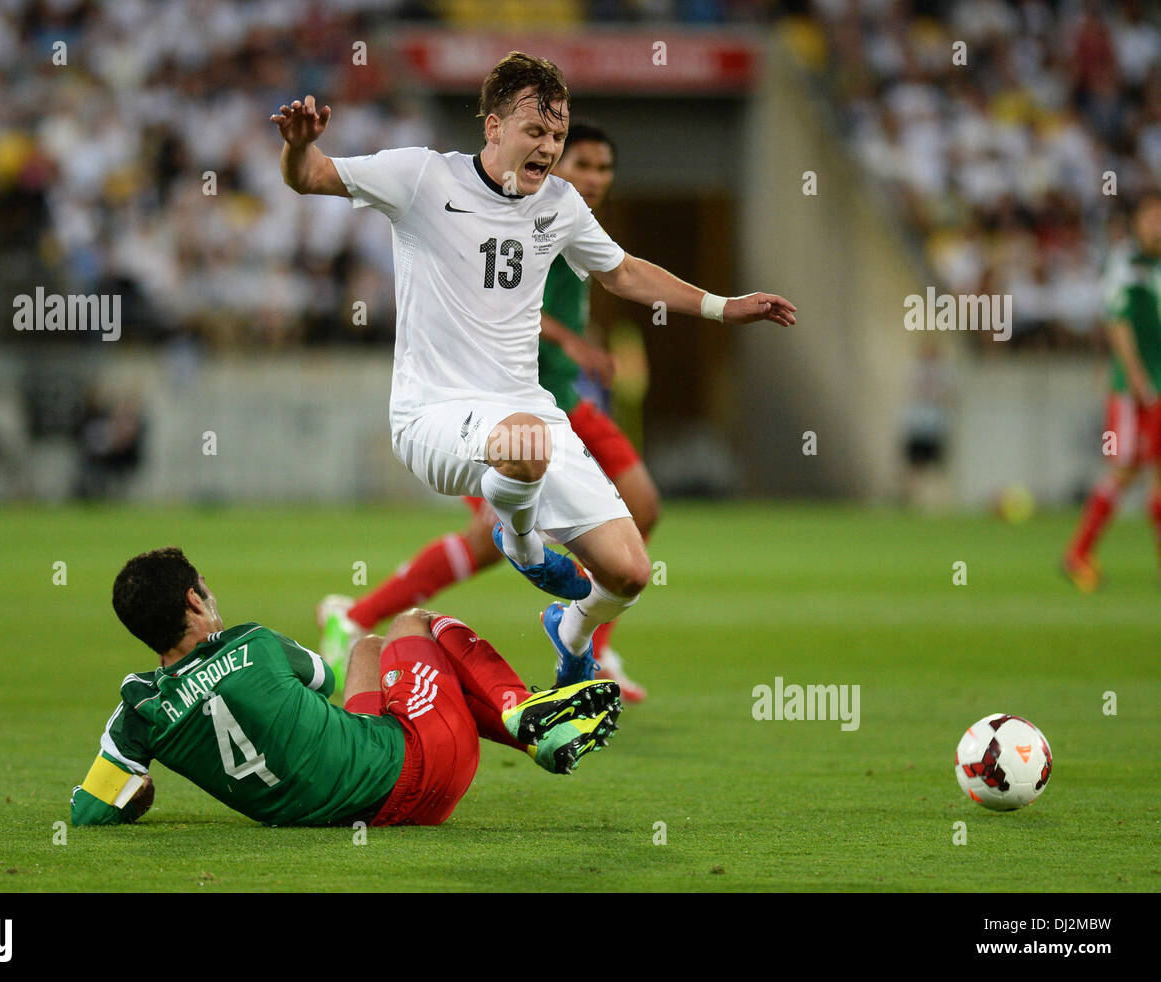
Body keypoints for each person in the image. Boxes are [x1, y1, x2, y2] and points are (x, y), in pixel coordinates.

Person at [272, 52, 796, 687]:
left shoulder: (560, 204)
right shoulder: (422, 178)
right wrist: (298, 149)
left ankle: (570, 631)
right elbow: (312, 177)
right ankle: (520, 543)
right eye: (535, 131)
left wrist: (722, 306)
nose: (549, 146)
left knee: (629, 572)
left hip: (528, 413)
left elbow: (624, 271)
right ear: (492, 127)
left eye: (558, 134)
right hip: (431, 415)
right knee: (524, 441)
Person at [316, 122, 653, 702]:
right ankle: (356, 614)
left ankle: (593, 640)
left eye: (604, 168)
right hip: (485, 408)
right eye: (582, 165)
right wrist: (569, 341)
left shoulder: (564, 215)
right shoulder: (509, 208)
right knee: (487, 531)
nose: (592, 179)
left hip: (559, 402)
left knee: (640, 507)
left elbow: (617, 275)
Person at [70, 548, 622, 828]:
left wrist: (138, 792)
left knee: (368, 648)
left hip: (365, 813)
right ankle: (522, 709)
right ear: (195, 602)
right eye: (207, 593)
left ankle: (536, 733)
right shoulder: (254, 642)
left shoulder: (139, 710)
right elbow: (322, 679)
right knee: (411, 625)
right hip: (426, 768)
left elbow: (89, 813)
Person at [1062, 192, 1161, 591]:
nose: (1158, 225)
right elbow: (1116, 322)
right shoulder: (1125, 264)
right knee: (1125, 471)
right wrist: (1137, 378)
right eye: (1153, 217)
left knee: (1145, 472)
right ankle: (1078, 552)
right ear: (1138, 222)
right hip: (1135, 390)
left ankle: (1080, 552)